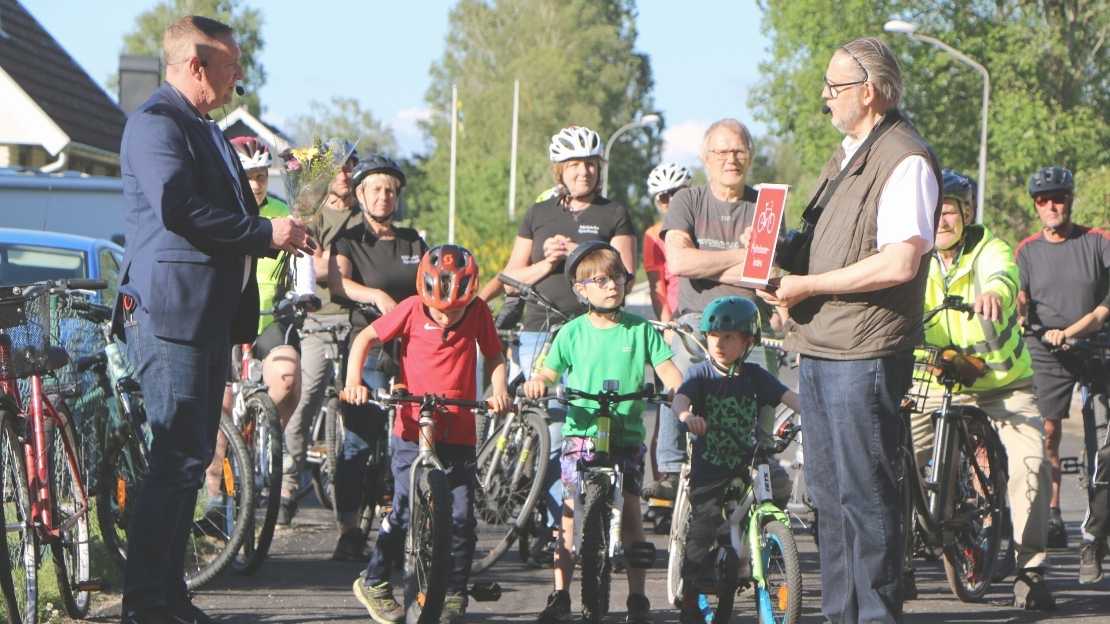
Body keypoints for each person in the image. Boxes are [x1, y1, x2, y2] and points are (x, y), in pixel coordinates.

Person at [111, 15, 313, 624]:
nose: (239, 78)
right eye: (231, 67)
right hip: (171, 313)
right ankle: (146, 603)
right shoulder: (157, 124)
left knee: (190, 461)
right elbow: (179, 208)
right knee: (175, 459)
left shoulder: (205, 129)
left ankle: (168, 596)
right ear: (196, 66)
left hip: (203, 317)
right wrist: (265, 233)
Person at [756, 37, 940, 623]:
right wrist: (772, 254)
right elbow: (822, 246)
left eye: (835, 87)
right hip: (821, 346)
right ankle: (841, 615)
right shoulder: (845, 155)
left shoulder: (904, 159)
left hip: (863, 350)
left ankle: (877, 616)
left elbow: (899, 262)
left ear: (871, 92)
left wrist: (808, 287)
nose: (825, 97)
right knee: (830, 502)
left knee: (866, 497)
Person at [479, 125, 637, 564]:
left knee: (587, 426)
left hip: (592, 332)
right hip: (540, 331)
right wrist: (547, 260)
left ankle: (591, 519)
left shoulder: (615, 213)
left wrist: (586, 255)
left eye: (590, 163)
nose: (583, 172)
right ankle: (555, 525)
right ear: (560, 170)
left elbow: (627, 274)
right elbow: (511, 278)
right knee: (550, 429)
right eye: (574, 165)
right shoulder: (538, 213)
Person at [907, 170, 1053, 607]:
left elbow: (1003, 276)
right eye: (933, 211)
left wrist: (994, 293)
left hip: (1001, 384)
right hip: (935, 380)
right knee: (895, 460)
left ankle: (1031, 571)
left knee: (1031, 464)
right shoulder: (915, 255)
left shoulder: (991, 248)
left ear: (966, 214)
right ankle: (898, 564)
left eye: (949, 211)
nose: (940, 221)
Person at [343, 245, 510, 624]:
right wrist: (354, 381)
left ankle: (453, 592)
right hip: (411, 428)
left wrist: (499, 391)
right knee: (403, 508)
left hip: (459, 429)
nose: (448, 317)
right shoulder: (411, 309)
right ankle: (375, 580)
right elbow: (364, 340)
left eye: (456, 310)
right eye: (440, 310)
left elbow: (495, 355)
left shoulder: (479, 311)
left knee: (463, 517)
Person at [523, 241, 683, 624]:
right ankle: (561, 593)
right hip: (581, 434)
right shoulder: (571, 332)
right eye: (601, 280)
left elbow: (667, 370)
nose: (612, 285)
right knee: (568, 513)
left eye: (618, 278)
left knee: (630, 512)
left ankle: (639, 597)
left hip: (626, 435)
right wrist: (539, 382)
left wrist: (680, 395)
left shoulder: (640, 330)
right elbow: (548, 370)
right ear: (581, 289)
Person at [647, 118, 769, 503]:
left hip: (749, 322)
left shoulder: (765, 205)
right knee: (677, 376)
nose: (730, 159)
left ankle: (765, 459)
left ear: (749, 156)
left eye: (738, 151)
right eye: (721, 151)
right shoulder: (688, 201)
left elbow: (765, 271)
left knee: (766, 380)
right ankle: (668, 468)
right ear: (705, 157)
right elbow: (681, 262)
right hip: (696, 320)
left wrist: (719, 261)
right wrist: (743, 257)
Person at [672, 296, 801, 623]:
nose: (719, 343)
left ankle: (767, 553)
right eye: (714, 336)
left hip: (748, 461)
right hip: (711, 464)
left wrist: (818, 414)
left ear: (748, 341)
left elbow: (789, 398)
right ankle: (690, 596)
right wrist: (687, 415)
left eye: (729, 337)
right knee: (704, 525)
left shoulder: (755, 375)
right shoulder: (701, 374)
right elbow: (682, 397)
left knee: (776, 493)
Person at [327, 154, 427, 560]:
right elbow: (338, 283)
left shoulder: (412, 242)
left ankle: (400, 516)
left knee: (409, 437)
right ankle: (349, 527)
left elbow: (431, 286)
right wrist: (376, 296)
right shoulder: (349, 240)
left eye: (390, 190)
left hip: (411, 351)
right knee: (359, 440)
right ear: (361, 194)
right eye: (375, 189)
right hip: (367, 349)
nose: (383, 197)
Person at [1016, 164, 1110, 583]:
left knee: (1101, 450)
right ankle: (1052, 513)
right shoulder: (1027, 250)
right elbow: (1019, 295)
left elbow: (1105, 303)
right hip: (1045, 350)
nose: (1051, 205)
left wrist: (1075, 330)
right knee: (1046, 434)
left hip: (1092, 345)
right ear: (1035, 206)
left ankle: (1094, 537)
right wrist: (1016, 314)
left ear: (1070, 200)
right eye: (1043, 200)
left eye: (1058, 197)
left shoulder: (1096, 241)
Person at [278, 139, 361, 526]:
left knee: (361, 407)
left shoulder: (366, 216)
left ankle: (361, 494)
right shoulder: (311, 217)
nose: (346, 175)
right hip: (320, 320)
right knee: (305, 398)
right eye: (340, 168)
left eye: (351, 166)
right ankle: (287, 484)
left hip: (360, 321)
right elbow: (313, 269)